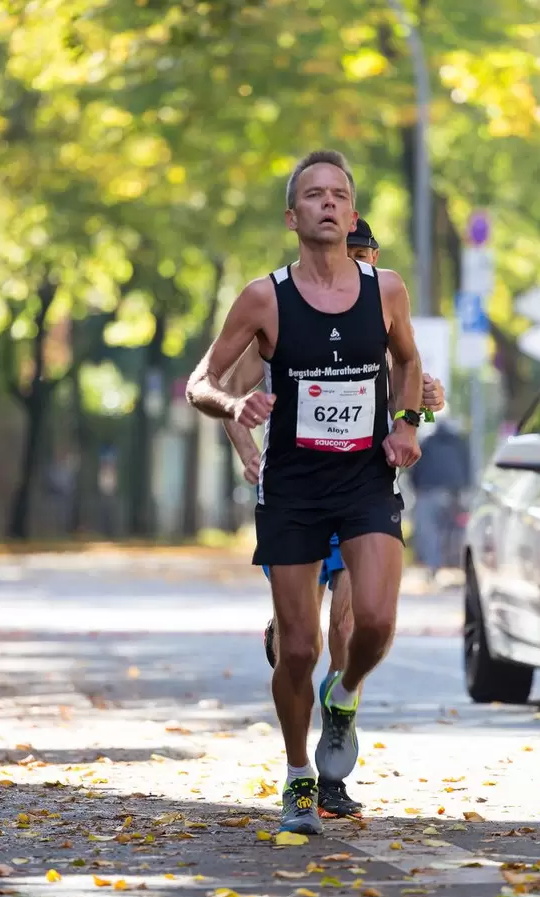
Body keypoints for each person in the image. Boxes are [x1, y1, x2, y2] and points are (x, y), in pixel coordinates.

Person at [187, 149, 424, 835]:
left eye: (339, 195)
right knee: (296, 648)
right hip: (292, 486)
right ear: (293, 217)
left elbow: (409, 360)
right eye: (314, 194)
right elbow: (202, 381)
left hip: (365, 480)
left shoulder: (386, 290)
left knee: (373, 622)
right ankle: (297, 774)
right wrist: (234, 409)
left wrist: (407, 423)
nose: (328, 203)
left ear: (352, 215)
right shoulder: (265, 298)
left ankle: (343, 698)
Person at [221, 218, 445, 819]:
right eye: (354, 254)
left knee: (352, 624)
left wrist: (422, 404)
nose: (361, 264)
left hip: (361, 492)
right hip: (295, 491)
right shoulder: (287, 314)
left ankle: (334, 757)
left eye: (368, 255)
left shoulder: (382, 310)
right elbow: (231, 390)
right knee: (301, 644)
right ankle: (298, 756)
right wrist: (247, 449)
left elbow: (411, 383)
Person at [410, 407, 471, 577]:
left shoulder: (426, 441)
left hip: (428, 492)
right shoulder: (459, 441)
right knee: (454, 528)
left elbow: (415, 469)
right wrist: (465, 489)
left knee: (428, 530)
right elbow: (468, 467)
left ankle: (434, 567)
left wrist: (416, 488)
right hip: (454, 493)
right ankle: (457, 566)